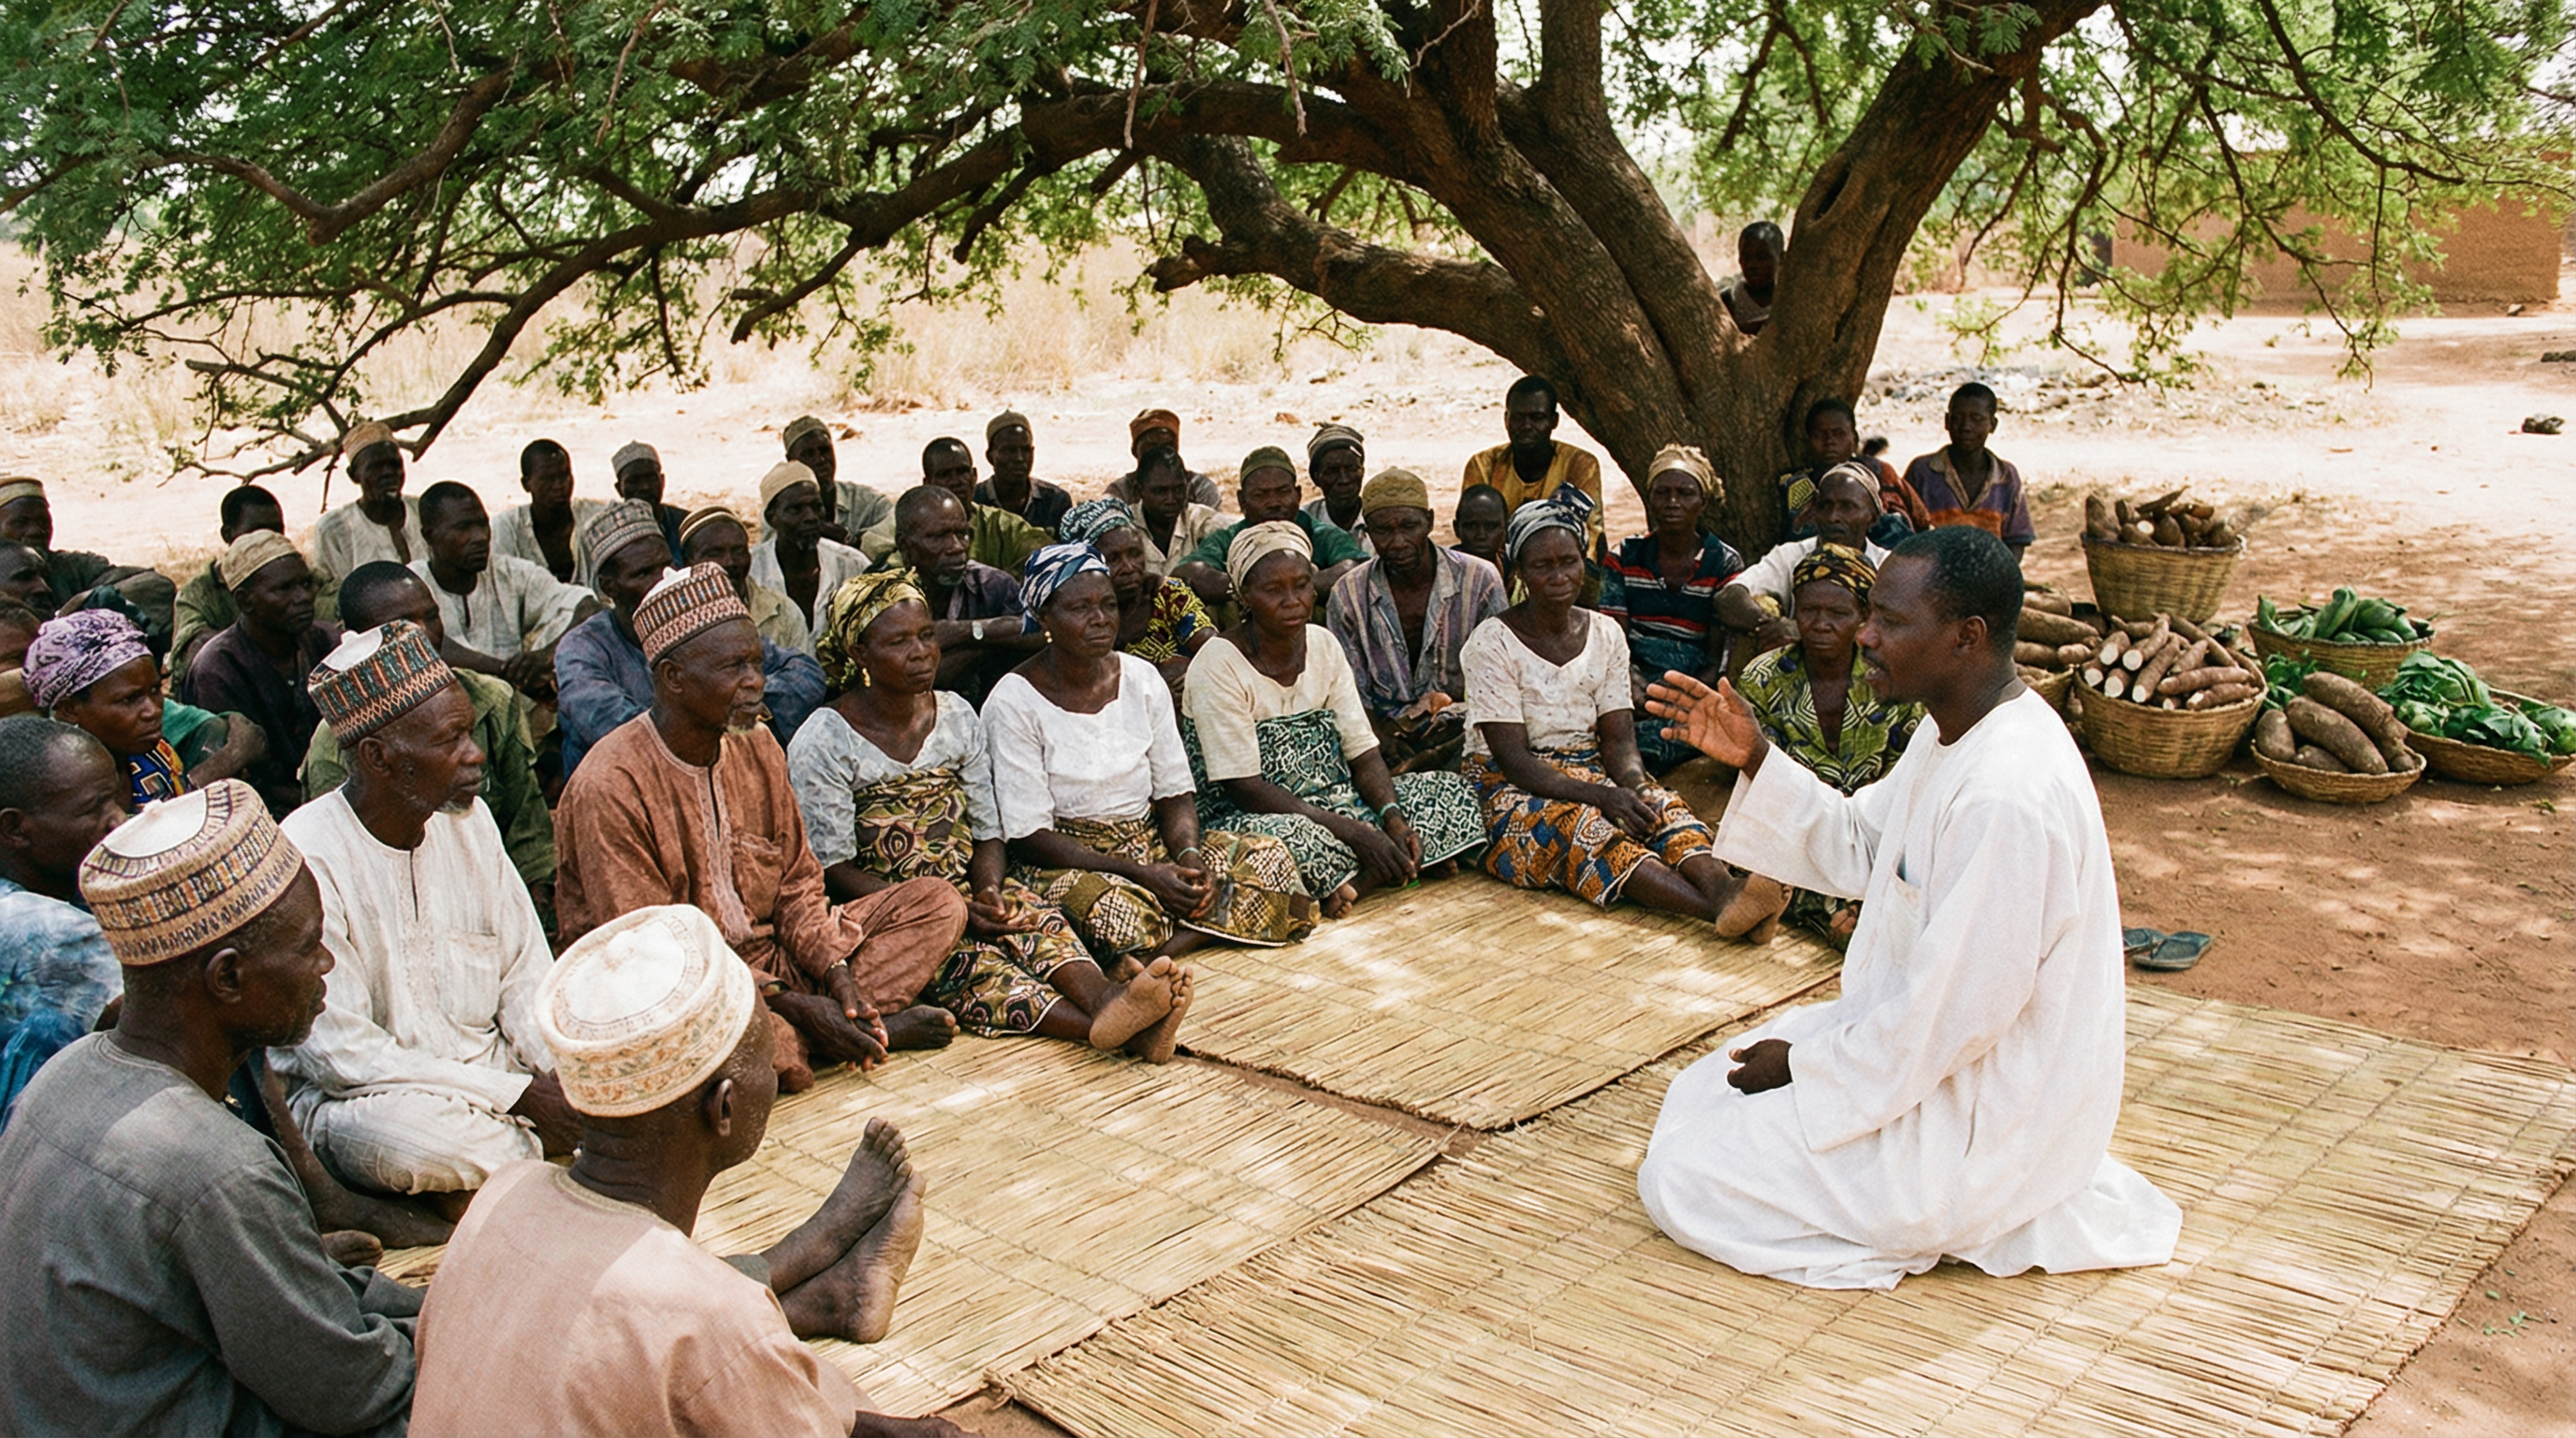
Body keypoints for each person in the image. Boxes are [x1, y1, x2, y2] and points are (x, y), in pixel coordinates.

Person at [1634, 526, 2183, 1289]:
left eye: (1890, 621)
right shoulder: (1951, 729)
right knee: (1698, 1097)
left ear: (1967, 638)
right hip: (1923, 1055)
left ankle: (1941, 1220)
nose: (1864, 636)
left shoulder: (2007, 795)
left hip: (1984, 1120)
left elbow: (1953, 1015)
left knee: (1684, 1178)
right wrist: (1757, 756)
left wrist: (1805, 1067)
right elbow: (1863, 843)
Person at [407, 904, 964, 1436]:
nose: (775, 1075)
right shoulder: (715, 1318)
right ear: (723, 1109)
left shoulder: (504, 1192)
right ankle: (827, 1280)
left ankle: (829, 1291)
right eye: (766, 1060)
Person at [0, 780, 421, 1436]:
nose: (326, 964)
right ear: (227, 977)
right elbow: (357, 1395)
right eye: (308, 947)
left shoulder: (66, 1075)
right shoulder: (214, 1166)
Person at [553, 563, 967, 1091]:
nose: (756, 683)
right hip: (677, 989)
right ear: (674, 679)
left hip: (777, 963)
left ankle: (835, 1027)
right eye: (735, 668)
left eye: (756, 663)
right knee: (730, 1052)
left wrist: (837, 975)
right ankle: (836, 1033)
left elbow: (798, 884)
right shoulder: (610, 785)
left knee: (936, 904)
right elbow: (650, 954)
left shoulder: (758, 743)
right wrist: (799, 1004)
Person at [792, 572, 1192, 1060]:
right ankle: (1112, 1029)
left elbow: (988, 830)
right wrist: (944, 912)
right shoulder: (826, 739)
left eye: (925, 635)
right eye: (898, 641)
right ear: (859, 654)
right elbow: (832, 867)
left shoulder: (956, 715)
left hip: (965, 887)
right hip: (889, 909)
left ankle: (1109, 1000)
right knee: (970, 968)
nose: (921, 652)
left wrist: (988, 890)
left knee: (1035, 920)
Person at [276, 621, 577, 1213]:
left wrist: (564, 1080)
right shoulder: (307, 854)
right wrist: (519, 1098)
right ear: (379, 757)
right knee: (414, 1141)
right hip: (371, 1102)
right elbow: (343, 1057)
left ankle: (488, 1185)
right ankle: (518, 1168)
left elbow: (525, 976)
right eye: (452, 740)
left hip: (498, 1082)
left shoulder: (472, 822)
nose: (475, 755)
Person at [1460, 490, 1785, 933]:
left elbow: (1618, 742)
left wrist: (1633, 785)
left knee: (1660, 806)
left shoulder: (1605, 634)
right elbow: (1514, 761)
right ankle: (1720, 911)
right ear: (1519, 572)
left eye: (1569, 561)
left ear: (1584, 563)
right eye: (1542, 565)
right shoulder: (1491, 643)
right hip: (1506, 788)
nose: (1559, 575)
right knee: (1582, 825)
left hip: (1589, 770)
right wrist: (1603, 796)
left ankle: (1726, 891)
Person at [986, 543, 1314, 962]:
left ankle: (1159, 949)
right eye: (1080, 608)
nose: (1100, 619)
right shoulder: (1013, 701)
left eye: (1107, 605)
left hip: (1149, 841)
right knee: (1113, 915)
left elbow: (1174, 793)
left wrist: (1189, 860)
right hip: (1068, 861)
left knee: (1270, 858)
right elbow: (1030, 837)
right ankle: (1203, 927)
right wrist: (1144, 875)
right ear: (1045, 617)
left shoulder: (1142, 678)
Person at [1186, 523, 1486, 918]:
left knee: (1450, 793)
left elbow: (1362, 753)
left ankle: (1360, 880)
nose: (1292, 600)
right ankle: (1395, 866)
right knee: (1286, 846)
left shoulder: (1324, 644)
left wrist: (1390, 820)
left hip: (1337, 800)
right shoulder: (1218, 663)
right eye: (1273, 590)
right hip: (1255, 815)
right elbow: (1245, 789)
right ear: (1244, 596)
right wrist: (1357, 833)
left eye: (1302, 585)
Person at [303, 563, 556, 903]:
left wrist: (536, 893)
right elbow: (356, 862)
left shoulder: (490, 699)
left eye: (432, 616)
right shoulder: (336, 746)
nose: (423, 633)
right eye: (403, 625)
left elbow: (525, 820)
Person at [1732, 546, 1923, 947]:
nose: (1820, 624)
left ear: (1864, 617)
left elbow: (1906, 781)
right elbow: (1765, 784)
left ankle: (1848, 915)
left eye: (1838, 614)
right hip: (1798, 823)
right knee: (1763, 858)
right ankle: (1850, 918)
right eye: (1808, 611)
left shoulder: (1892, 680)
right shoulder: (1763, 679)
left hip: (1874, 827)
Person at [553, 501, 825, 776]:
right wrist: (714, 710)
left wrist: (739, 705)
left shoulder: (698, 626)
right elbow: (618, 727)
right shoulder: (582, 648)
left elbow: (806, 675)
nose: (662, 580)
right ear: (609, 586)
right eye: (643, 573)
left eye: (666, 565)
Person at [1325, 467, 1507, 773]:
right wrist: (1380, 741)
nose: (1398, 542)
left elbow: (1501, 680)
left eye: (1409, 526)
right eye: (1383, 531)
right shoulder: (1348, 595)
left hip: (1464, 729)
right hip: (1384, 736)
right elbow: (1350, 692)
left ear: (1430, 522)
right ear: (1367, 532)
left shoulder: (1480, 581)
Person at [0, 716, 127, 1125]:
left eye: (114, 799)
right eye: (95, 809)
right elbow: (173, 1011)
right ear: (15, 828)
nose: (118, 820)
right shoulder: (47, 932)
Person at [1599, 446, 1747, 773]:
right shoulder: (1624, 555)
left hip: (1691, 684)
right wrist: (1629, 682)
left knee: (1667, 741)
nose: (1672, 502)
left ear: (1703, 502)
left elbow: (1717, 655)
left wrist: (1681, 696)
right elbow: (1611, 638)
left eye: (1685, 493)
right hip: (1630, 680)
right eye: (1662, 493)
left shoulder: (1723, 562)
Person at [180, 531, 339, 815]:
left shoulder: (326, 641)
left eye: (305, 584)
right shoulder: (218, 670)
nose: (303, 597)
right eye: (284, 588)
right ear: (245, 601)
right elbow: (242, 780)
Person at [410, 480, 594, 699]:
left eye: (482, 525)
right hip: (445, 710)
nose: (480, 537)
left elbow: (588, 606)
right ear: (429, 535)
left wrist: (545, 656)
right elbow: (424, 644)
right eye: (463, 528)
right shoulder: (411, 584)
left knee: (574, 625)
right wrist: (506, 671)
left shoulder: (508, 572)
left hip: (513, 700)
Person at [1717, 462, 1895, 658]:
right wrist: (1772, 625)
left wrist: (1806, 633)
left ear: (1874, 517)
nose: (1833, 517)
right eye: (1825, 506)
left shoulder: (1889, 566)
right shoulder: (1792, 555)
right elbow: (1728, 597)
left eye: (1847, 507)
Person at [887, 485, 1040, 706]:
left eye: (962, 534)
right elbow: (914, 679)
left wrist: (964, 631)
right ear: (905, 545)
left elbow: (1041, 631)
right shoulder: (882, 596)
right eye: (938, 537)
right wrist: (995, 643)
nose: (956, 547)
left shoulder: (991, 584)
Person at [27, 609, 197, 806]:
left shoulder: (156, 757)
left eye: (154, 690)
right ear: (69, 709)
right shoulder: (61, 800)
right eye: (130, 699)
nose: (154, 711)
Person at [175, 484, 342, 678]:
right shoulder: (199, 593)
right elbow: (195, 649)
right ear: (227, 535)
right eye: (256, 531)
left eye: (276, 530)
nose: (268, 539)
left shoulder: (310, 580)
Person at [1173, 446, 1367, 609]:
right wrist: (1248, 589)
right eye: (1260, 495)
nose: (1273, 503)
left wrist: (1287, 588)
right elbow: (1186, 573)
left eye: (1282, 492)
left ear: (1298, 494)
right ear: (1242, 501)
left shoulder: (1321, 534)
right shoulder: (1229, 538)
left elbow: (1354, 569)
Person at [1060, 495, 1214, 693]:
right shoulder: (1078, 614)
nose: (1129, 567)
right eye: (1113, 559)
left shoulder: (1167, 594)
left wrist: (1192, 678)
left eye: (1135, 554)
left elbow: (1212, 649)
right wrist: (1153, 692)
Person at [0, 475, 180, 642]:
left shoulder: (70, 566)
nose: (36, 531)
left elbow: (153, 586)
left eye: (43, 522)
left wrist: (74, 617)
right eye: (20, 523)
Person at [1459, 375, 1605, 564]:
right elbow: (1474, 535)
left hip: (1556, 569)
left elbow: (1585, 536)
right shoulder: (1484, 465)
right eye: (1518, 418)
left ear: (1554, 421)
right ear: (1506, 419)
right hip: (1496, 572)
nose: (1526, 426)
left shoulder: (1579, 464)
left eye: (1537, 418)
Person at [856, 437, 1051, 571]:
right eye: (945, 475)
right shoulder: (899, 525)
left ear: (975, 476)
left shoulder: (1000, 525)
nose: (956, 481)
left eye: (962, 472)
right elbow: (875, 550)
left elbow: (1045, 552)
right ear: (928, 483)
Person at [1901, 382, 2036, 557]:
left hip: (1990, 579)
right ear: (1947, 422)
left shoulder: (2006, 477)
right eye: (1957, 418)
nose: (1966, 426)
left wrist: (2000, 578)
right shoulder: (1923, 472)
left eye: (1977, 419)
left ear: (1993, 425)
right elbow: (1903, 533)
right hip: (1931, 579)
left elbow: (2016, 543)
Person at [1778, 398, 1925, 547]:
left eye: (1839, 434)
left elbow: (1921, 518)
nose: (1830, 441)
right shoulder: (1798, 486)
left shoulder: (1879, 473)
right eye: (1820, 435)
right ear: (1808, 442)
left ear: (1854, 438)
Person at [750, 460, 871, 634]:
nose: (811, 517)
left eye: (817, 507)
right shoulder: (752, 572)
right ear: (772, 518)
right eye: (796, 509)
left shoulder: (852, 565)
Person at [681, 504, 812, 654]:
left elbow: (806, 674)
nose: (729, 562)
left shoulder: (783, 612)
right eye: (715, 553)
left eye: (738, 551)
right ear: (688, 562)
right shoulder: (673, 621)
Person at [313, 422, 426, 583]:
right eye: (375, 467)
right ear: (354, 475)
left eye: (395, 464)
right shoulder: (334, 529)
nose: (388, 473)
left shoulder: (423, 511)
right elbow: (333, 594)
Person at [490, 438, 607, 583]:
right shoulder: (506, 528)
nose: (559, 485)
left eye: (564, 475)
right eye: (548, 478)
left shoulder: (596, 518)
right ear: (526, 484)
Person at [783, 413, 896, 546]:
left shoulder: (865, 501)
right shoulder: (781, 510)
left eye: (824, 450)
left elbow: (897, 526)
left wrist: (852, 540)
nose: (820, 459)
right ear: (791, 461)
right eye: (809, 454)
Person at [1120, 444, 1224, 578]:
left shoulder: (1200, 520)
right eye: (1160, 491)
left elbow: (1239, 537)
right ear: (1139, 490)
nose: (1171, 499)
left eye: (1178, 489)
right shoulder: (1123, 525)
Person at [1106, 407, 1226, 511]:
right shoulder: (1121, 491)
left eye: (1167, 446)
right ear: (1135, 451)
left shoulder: (1199, 487)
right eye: (1151, 446)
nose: (1159, 454)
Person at [976, 411, 1073, 534]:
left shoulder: (1055, 501)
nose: (1019, 458)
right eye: (1010, 450)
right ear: (990, 457)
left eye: (1026, 450)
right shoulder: (975, 501)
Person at [608, 440, 690, 560]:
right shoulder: (611, 534)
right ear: (619, 489)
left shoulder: (684, 523)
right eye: (634, 481)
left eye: (651, 478)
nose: (645, 487)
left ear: (662, 481)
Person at [1302, 424, 1373, 555]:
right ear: (1316, 478)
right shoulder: (1304, 521)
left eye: (1351, 469)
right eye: (1332, 471)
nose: (1344, 480)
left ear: (1362, 472)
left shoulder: (1378, 518)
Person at [1720, 220, 1784, 336]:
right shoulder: (1728, 302)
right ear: (1739, 260)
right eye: (1746, 257)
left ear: (1781, 258)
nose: (1752, 265)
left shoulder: (1790, 300)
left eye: (1761, 257)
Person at [1451, 483, 1509, 573]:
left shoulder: (1513, 569)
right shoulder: (1444, 570)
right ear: (1456, 528)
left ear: (1505, 528)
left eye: (1491, 527)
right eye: (1472, 526)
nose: (1481, 535)